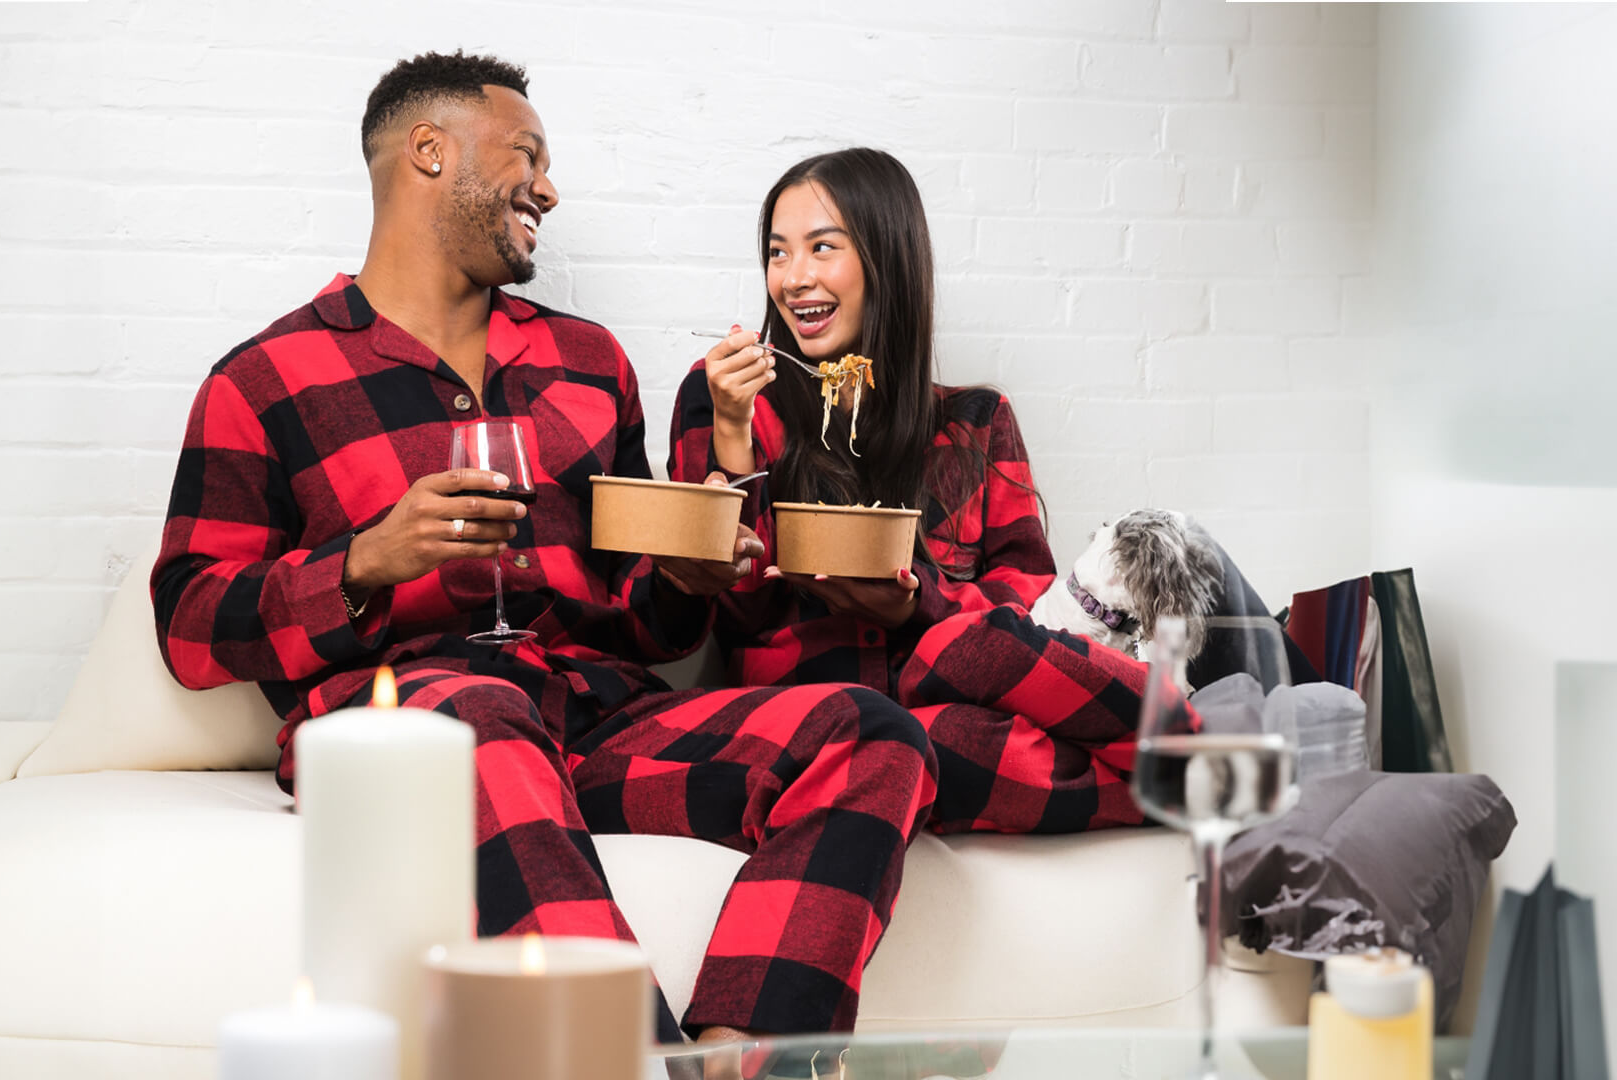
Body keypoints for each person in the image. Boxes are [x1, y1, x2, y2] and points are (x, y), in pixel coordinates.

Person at [150, 55, 934, 1043]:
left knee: (869, 733)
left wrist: (688, 574)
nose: (550, 189)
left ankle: (742, 1061)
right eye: (527, 156)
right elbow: (187, 621)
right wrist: (361, 562)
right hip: (425, 731)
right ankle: (628, 1064)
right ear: (428, 153)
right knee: (480, 712)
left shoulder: (588, 363)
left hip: (592, 721)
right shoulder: (264, 379)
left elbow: (647, 621)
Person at [671, 147, 1153, 834]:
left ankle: (1203, 746)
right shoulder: (733, 399)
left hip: (958, 696)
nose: (794, 277)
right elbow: (733, 608)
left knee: (963, 700)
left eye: (822, 248)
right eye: (778, 253)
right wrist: (728, 428)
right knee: (931, 742)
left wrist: (916, 607)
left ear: (885, 261)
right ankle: (1204, 764)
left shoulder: (975, 423)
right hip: (825, 726)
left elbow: (1025, 606)